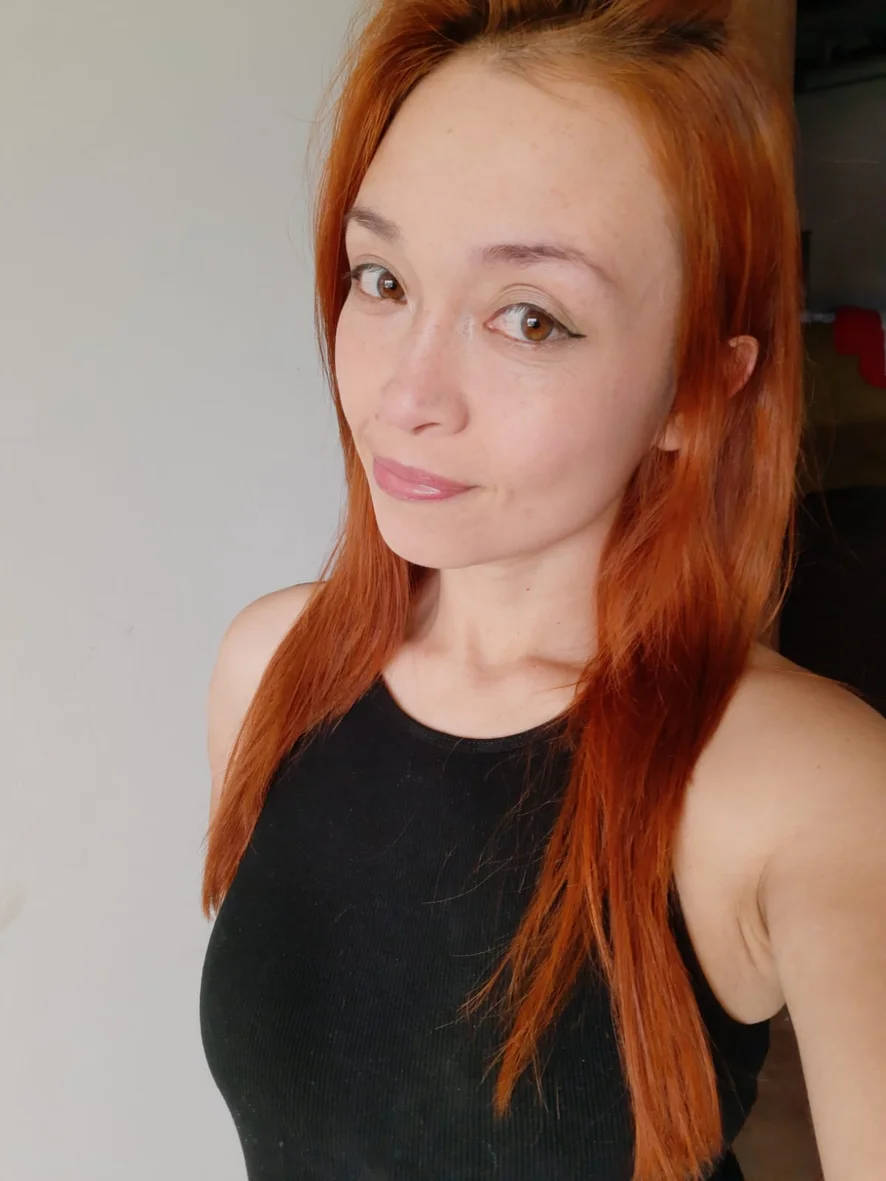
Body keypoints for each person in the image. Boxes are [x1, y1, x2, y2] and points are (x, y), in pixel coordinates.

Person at [198, 2, 886, 1179]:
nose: (406, 393)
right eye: (381, 278)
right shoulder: (273, 667)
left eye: (529, 317)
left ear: (699, 390)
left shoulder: (803, 784)